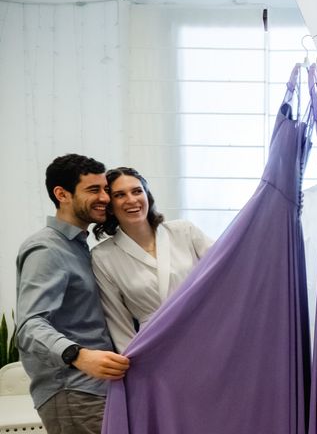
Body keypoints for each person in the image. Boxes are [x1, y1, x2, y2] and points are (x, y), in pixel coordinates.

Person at [16, 154, 130, 434]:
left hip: (93, 389)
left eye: (105, 189)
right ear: (62, 194)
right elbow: (30, 325)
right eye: (93, 190)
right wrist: (78, 355)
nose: (105, 197)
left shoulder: (80, 248)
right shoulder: (47, 249)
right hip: (73, 390)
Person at [91, 167, 213, 353]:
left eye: (137, 191)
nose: (131, 200)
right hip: (156, 347)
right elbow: (117, 319)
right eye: (119, 195)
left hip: (207, 329)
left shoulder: (184, 231)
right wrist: (132, 361)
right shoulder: (103, 256)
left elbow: (227, 268)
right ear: (111, 206)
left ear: (147, 195)